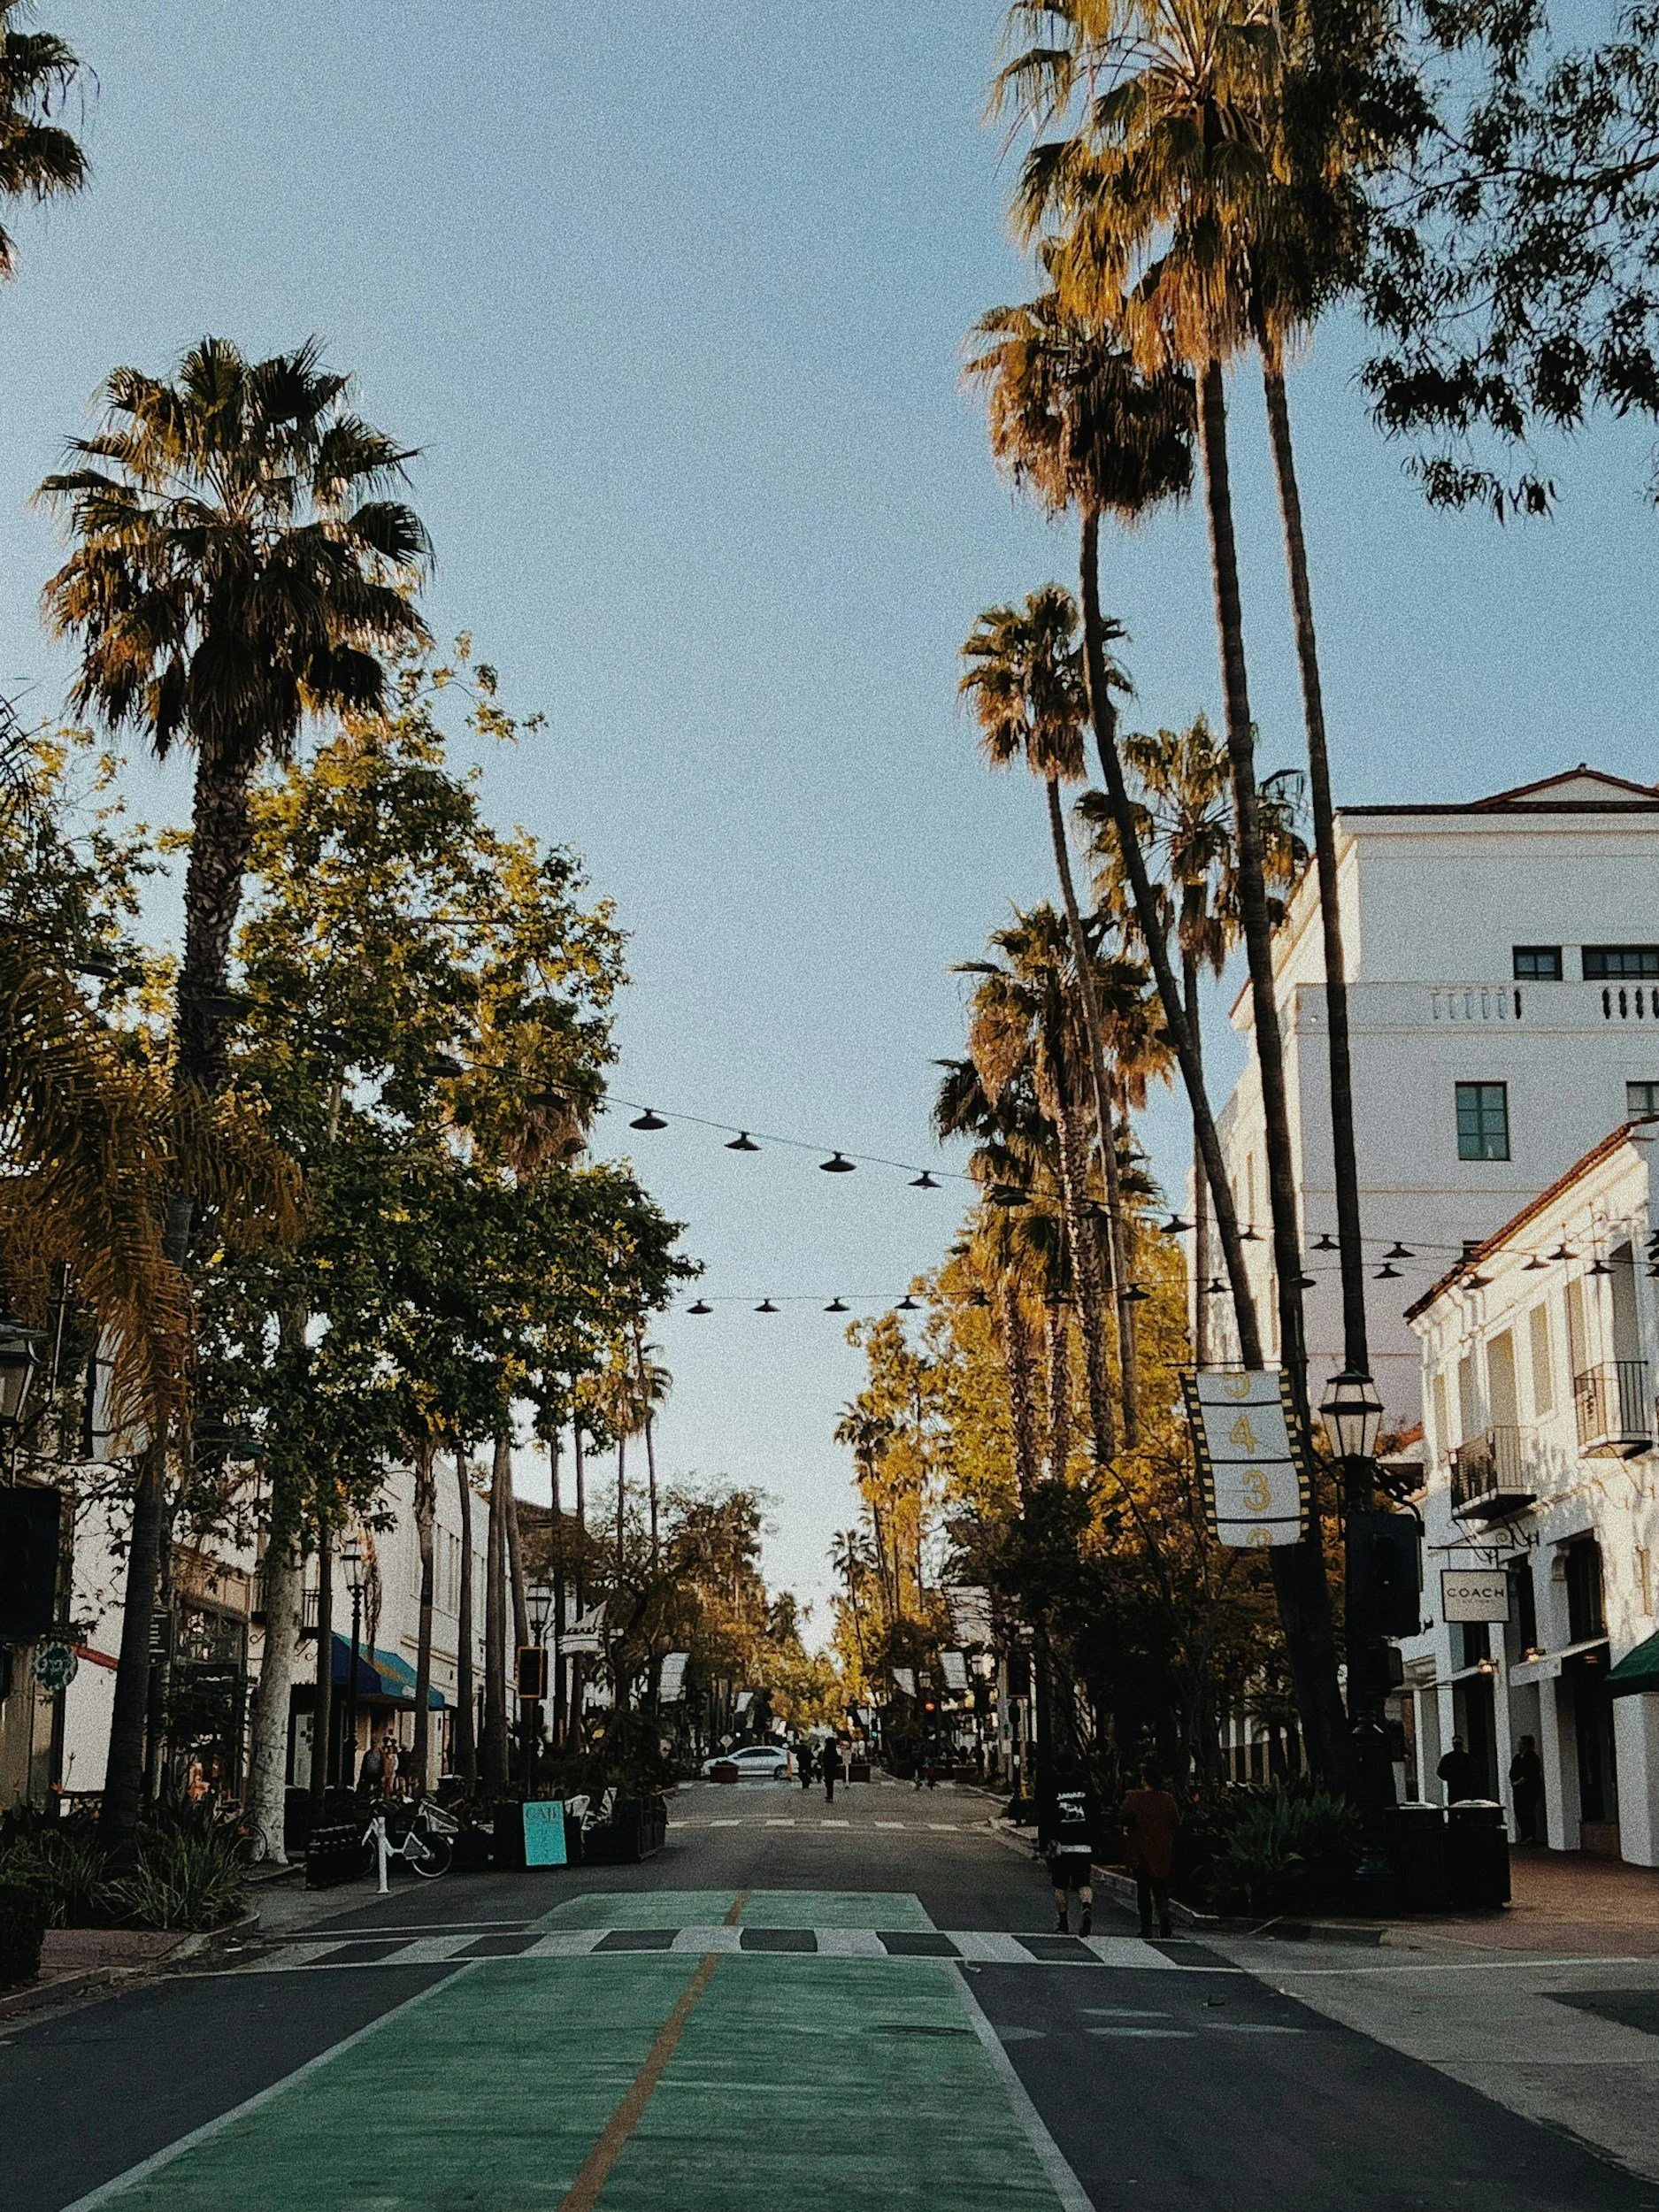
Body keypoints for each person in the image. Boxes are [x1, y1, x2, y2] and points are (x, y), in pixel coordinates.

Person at [1037, 1763, 1102, 1936]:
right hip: (1083, 1845)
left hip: (1061, 1846)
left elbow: (1045, 1818)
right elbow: (1096, 1818)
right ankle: (1086, 1908)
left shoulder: (1053, 1790)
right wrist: (1095, 1844)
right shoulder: (1087, 1791)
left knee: (1060, 1886)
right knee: (1083, 1883)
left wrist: (1044, 1844)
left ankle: (1063, 1922)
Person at [1121, 1761, 1181, 1939]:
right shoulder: (1167, 1799)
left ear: (1144, 1780)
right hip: (1162, 1848)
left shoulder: (1134, 1798)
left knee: (1143, 1889)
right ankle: (1164, 1918)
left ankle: (1146, 1926)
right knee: (1161, 1888)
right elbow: (1176, 1822)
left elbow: (1123, 1817)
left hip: (1141, 1848)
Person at [1509, 1734, 1545, 1843]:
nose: (1518, 1745)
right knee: (1519, 1811)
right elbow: (1512, 1772)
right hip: (1518, 1790)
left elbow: (1530, 1773)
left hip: (1529, 1789)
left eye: (1520, 1743)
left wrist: (1520, 1781)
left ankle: (1531, 1835)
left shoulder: (1532, 1758)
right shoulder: (1516, 1758)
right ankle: (1524, 1834)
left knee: (1528, 1810)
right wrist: (1514, 1782)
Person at [1437, 1734, 1480, 1806]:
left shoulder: (1450, 1758)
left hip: (1463, 1790)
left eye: (1458, 1744)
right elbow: (1440, 1772)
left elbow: (1475, 1773)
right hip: (1458, 1790)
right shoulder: (1466, 1758)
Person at [820, 1734, 844, 1807]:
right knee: (830, 1782)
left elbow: (824, 1759)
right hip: (832, 1768)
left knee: (828, 1782)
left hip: (828, 1768)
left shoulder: (827, 1750)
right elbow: (837, 1759)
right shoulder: (834, 1750)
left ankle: (829, 1795)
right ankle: (830, 1795)